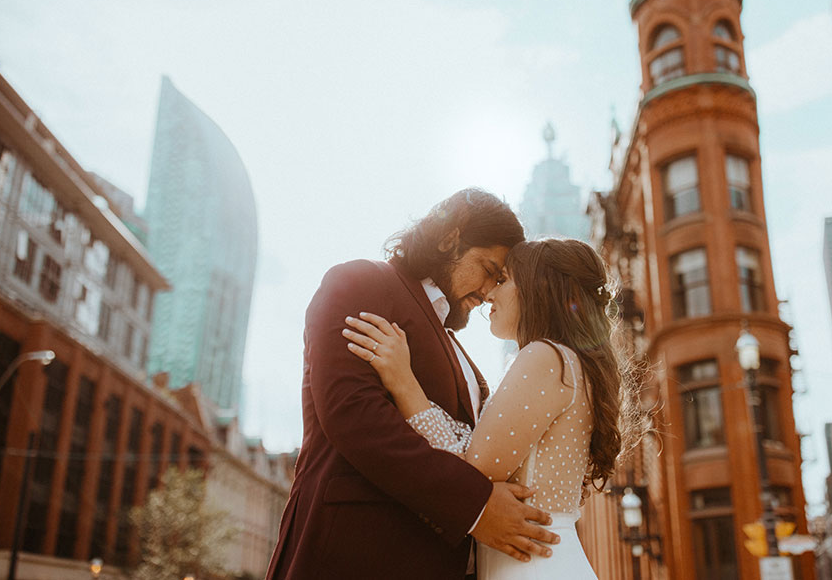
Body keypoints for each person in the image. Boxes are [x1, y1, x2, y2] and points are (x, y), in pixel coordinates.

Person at [265, 189, 560, 580]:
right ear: (449, 238)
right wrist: (476, 507)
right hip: (352, 556)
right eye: (489, 268)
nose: (489, 290)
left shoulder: (459, 350)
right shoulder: (362, 281)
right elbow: (353, 414)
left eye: (500, 280)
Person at [344, 238, 630, 580]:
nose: (490, 294)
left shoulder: (545, 356)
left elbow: (470, 472)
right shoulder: (570, 363)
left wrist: (404, 384)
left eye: (504, 279)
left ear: (538, 288)